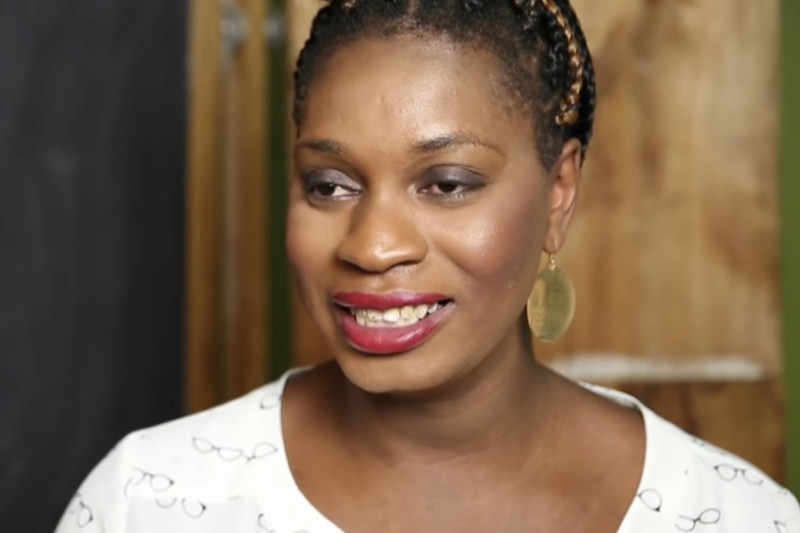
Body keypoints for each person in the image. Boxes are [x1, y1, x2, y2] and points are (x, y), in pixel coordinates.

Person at [55, 0, 800, 531]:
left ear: (558, 193)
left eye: (446, 184)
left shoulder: (737, 514)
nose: (372, 246)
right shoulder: (148, 499)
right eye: (329, 184)